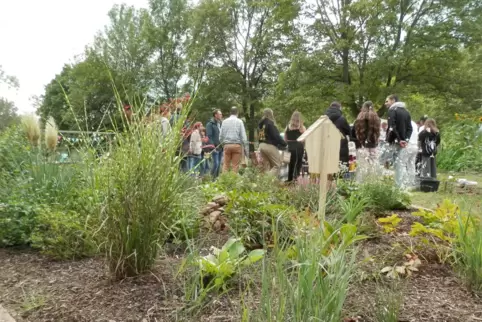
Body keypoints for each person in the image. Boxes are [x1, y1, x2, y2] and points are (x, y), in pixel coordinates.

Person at [385, 94, 413, 188]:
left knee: (384, 161)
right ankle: (400, 185)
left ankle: (395, 185)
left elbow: (392, 127)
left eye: (387, 101)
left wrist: (399, 139)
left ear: (393, 100)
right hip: (403, 142)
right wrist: (406, 140)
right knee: (400, 164)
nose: (385, 104)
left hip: (393, 142)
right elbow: (410, 128)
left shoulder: (392, 111)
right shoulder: (406, 112)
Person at [352, 101, 381, 182]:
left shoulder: (359, 118)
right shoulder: (376, 118)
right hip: (373, 146)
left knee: (362, 167)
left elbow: (353, 132)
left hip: (362, 145)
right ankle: (372, 184)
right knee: (373, 167)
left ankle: (360, 185)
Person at [219, 107, 249, 173]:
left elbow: (221, 136)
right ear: (237, 113)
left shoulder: (224, 121)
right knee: (235, 165)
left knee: (226, 165)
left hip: (227, 145)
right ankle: (233, 181)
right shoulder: (240, 121)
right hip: (236, 145)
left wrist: (223, 144)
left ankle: (224, 181)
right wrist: (245, 146)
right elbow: (243, 136)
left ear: (230, 113)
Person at [258, 108, 287, 175]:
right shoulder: (270, 123)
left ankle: (268, 184)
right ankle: (266, 180)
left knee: (267, 167)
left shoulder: (261, 125)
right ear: (271, 114)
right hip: (269, 145)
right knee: (278, 165)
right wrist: (284, 144)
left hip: (261, 145)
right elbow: (276, 136)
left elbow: (260, 136)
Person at [325, 101, 351, 171]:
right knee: (342, 166)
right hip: (340, 145)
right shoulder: (342, 119)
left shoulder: (324, 119)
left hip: (328, 145)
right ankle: (341, 179)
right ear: (339, 108)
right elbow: (348, 131)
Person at [284, 111, 306, 183]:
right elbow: (304, 139)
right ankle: (296, 178)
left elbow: (285, 139)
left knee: (291, 163)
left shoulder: (287, 127)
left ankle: (290, 179)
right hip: (298, 147)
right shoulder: (302, 128)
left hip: (290, 147)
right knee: (298, 163)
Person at [206, 109, 223, 178]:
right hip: (214, 147)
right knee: (216, 163)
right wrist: (213, 146)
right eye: (220, 114)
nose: (221, 115)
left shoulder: (221, 124)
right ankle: (211, 177)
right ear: (215, 115)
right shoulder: (210, 124)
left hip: (221, 146)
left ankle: (216, 178)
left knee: (219, 164)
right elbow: (209, 136)